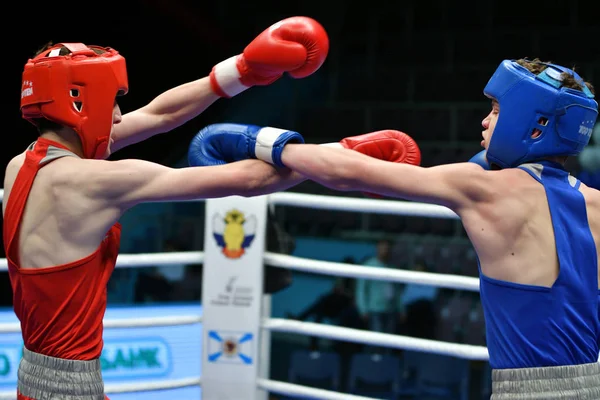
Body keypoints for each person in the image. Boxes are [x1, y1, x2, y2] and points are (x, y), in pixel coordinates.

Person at [192, 58, 600, 398]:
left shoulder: (487, 189)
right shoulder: (595, 202)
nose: (484, 121)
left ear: (534, 126)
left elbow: (345, 173)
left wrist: (259, 141)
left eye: (496, 110)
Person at [1, 17, 341, 400]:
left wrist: (241, 70)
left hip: (32, 380)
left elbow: (158, 115)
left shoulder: (22, 164)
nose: (116, 116)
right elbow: (253, 180)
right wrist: (342, 157)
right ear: (80, 100)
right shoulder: (97, 182)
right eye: (112, 101)